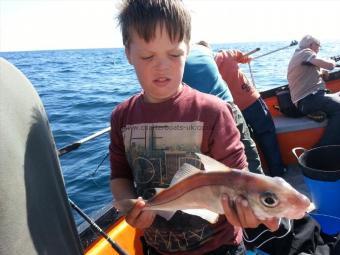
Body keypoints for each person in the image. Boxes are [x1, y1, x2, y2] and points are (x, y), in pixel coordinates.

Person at [109, 1, 278, 254]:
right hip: (155, 247)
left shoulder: (214, 112)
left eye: (174, 54)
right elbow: (120, 175)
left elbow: (239, 179)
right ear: (128, 54)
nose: (162, 65)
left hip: (219, 247)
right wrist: (128, 205)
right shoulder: (121, 116)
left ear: (187, 50)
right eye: (147, 56)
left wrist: (250, 214)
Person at [183, 42, 263, 175]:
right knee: (248, 150)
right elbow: (225, 56)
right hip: (228, 106)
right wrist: (242, 57)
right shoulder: (204, 50)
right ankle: (259, 181)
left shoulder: (175, 58)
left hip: (199, 116)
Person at [214, 48, 286, 177]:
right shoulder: (227, 54)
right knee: (267, 134)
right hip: (251, 102)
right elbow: (243, 57)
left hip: (232, 111)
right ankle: (278, 171)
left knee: (246, 144)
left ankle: (255, 176)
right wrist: (243, 60)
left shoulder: (209, 65)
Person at [287, 35, 339, 146]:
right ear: (311, 45)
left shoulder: (300, 57)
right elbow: (330, 65)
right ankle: (323, 149)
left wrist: (322, 73)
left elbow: (314, 76)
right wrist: (333, 61)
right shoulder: (305, 52)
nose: (319, 49)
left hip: (309, 100)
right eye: (318, 46)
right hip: (309, 100)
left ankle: (316, 112)